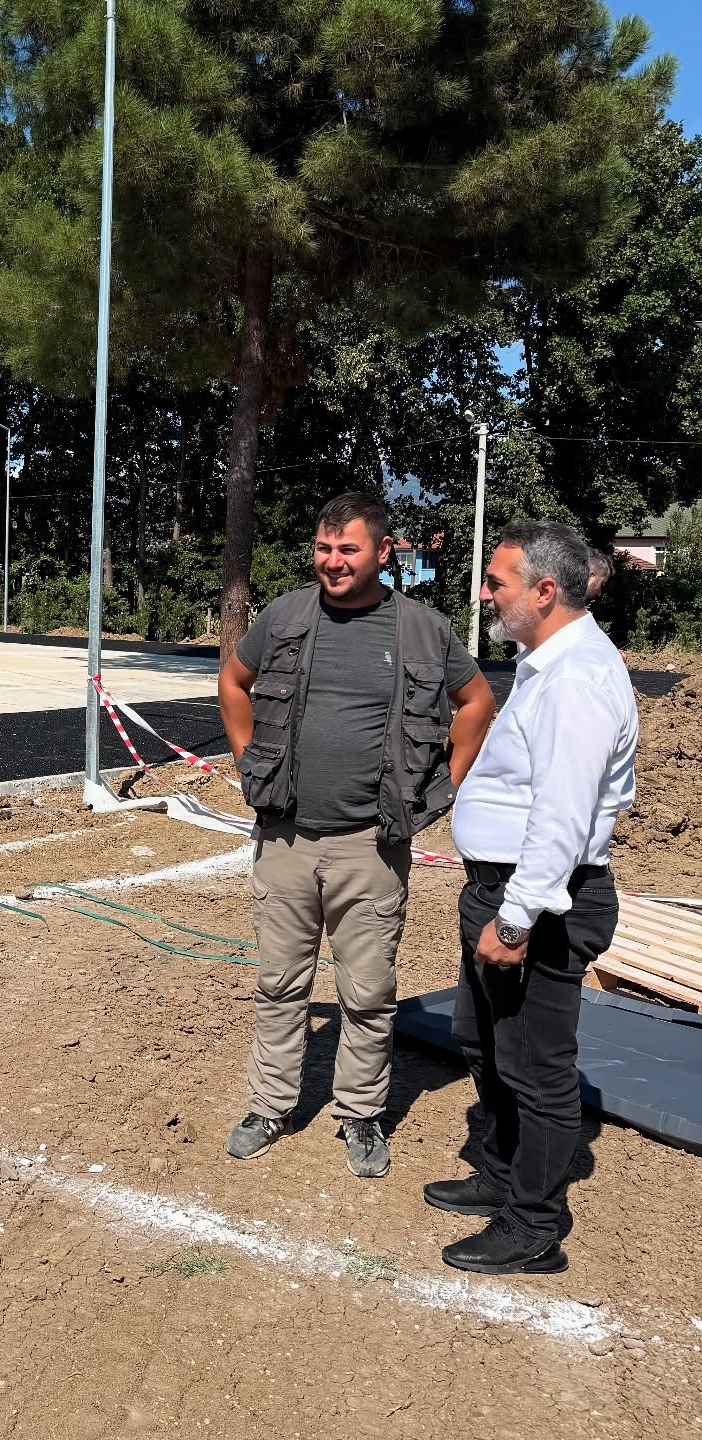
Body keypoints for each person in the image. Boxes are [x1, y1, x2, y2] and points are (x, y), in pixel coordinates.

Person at [218, 494, 496, 1178]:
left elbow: (476, 701)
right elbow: (233, 680)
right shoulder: (286, 616)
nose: (333, 561)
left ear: (383, 552)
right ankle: (270, 1105)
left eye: (348, 549)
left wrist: (444, 784)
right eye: (324, 547)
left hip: (373, 846)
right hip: (285, 839)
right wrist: (250, 764)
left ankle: (361, 1113)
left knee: (368, 994)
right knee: (279, 985)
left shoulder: (423, 629)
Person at [429, 519, 637, 1275]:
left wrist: (515, 920)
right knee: (481, 1040)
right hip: (501, 889)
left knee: (536, 1069)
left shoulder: (576, 679)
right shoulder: (546, 663)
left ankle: (534, 1226)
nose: (485, 593)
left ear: (544, 591)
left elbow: (563, 815)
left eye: (497, 583)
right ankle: (500, 1173)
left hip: (541, 902)